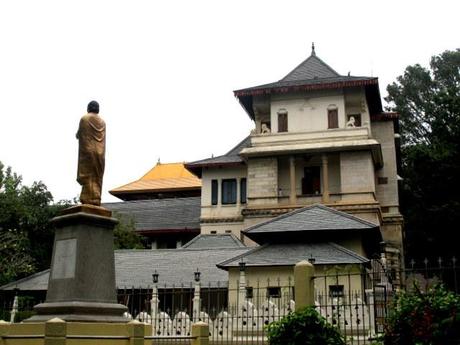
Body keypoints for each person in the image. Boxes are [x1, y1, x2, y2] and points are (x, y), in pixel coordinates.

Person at [76, 101, 106, 206]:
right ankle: (96, 198)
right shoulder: (102, 122)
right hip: (100, 153)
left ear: (88, 108)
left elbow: (81, 134)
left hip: (88, 151)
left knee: (88, 175)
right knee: (97, 176)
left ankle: (88, 199)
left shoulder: (85, 118)